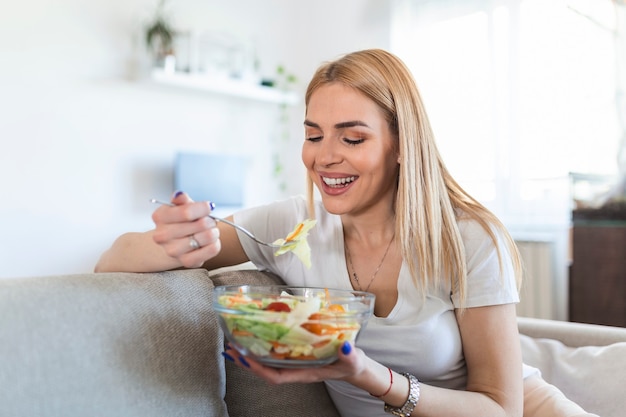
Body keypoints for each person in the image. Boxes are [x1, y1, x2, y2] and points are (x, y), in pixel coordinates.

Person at [96, 49, 597, 417]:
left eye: (352, 137)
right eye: (313, 134)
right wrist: (174, 238)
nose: (324, 155)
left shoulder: (467, 239)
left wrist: (371, 378)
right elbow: (113, 261)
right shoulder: (293, 225)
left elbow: (501, 408)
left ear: (402, 145)